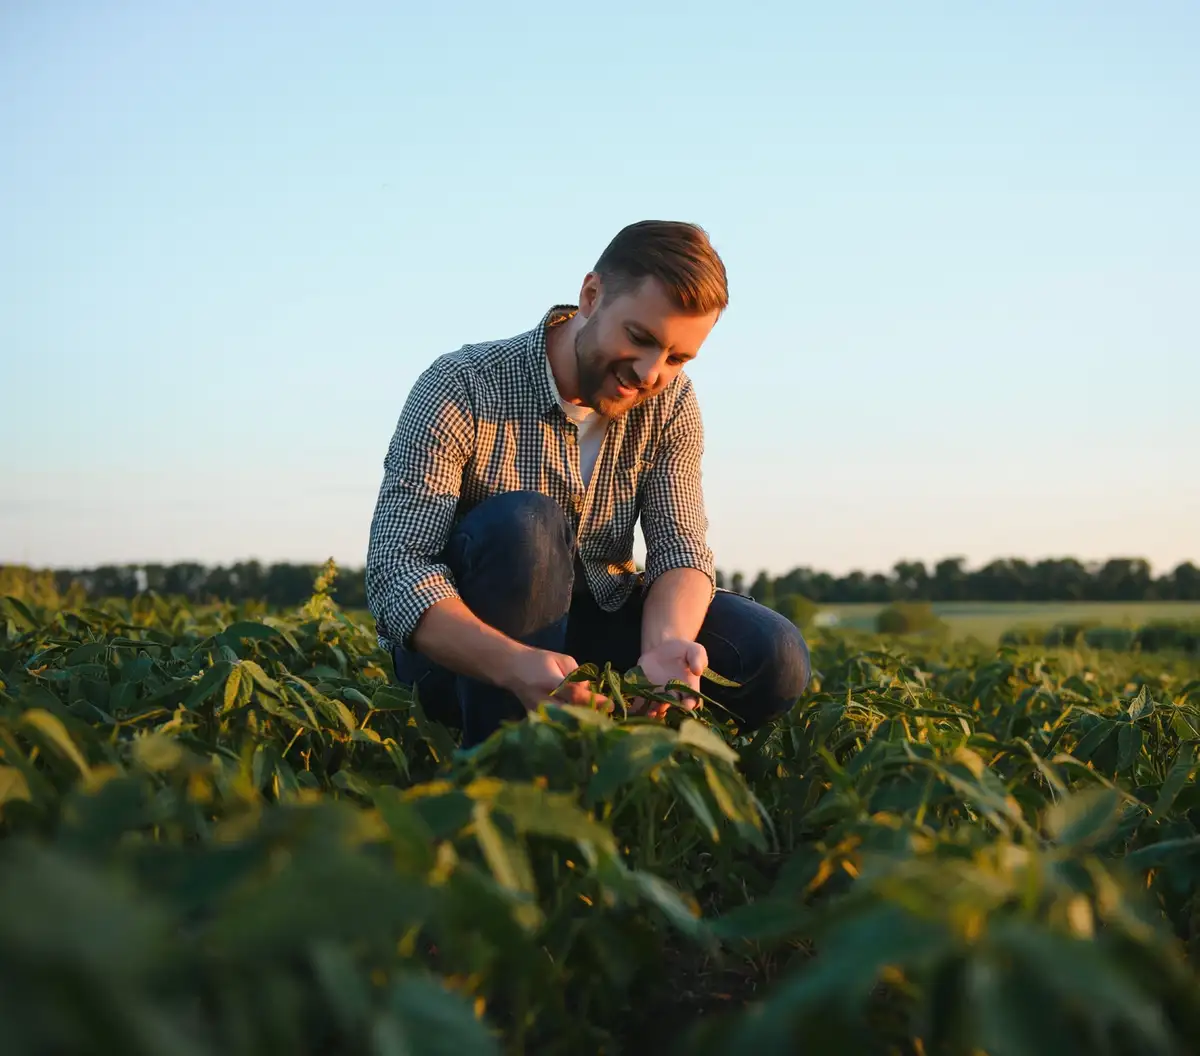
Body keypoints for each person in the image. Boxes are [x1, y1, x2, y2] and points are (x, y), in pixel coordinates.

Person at [365, 220, 810, 747]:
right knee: (526, 526)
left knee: (772, 653)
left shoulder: (672, 403)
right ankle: (503, 768)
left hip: (597, 621)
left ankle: (638, 755)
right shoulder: (464, 384)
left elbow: (681, 545)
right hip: (470, 652)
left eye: (677, 358)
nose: (650, 372)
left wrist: (664, 649)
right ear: (591, 296)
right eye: (640, 338)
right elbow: (396, 569)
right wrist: (511, 664)